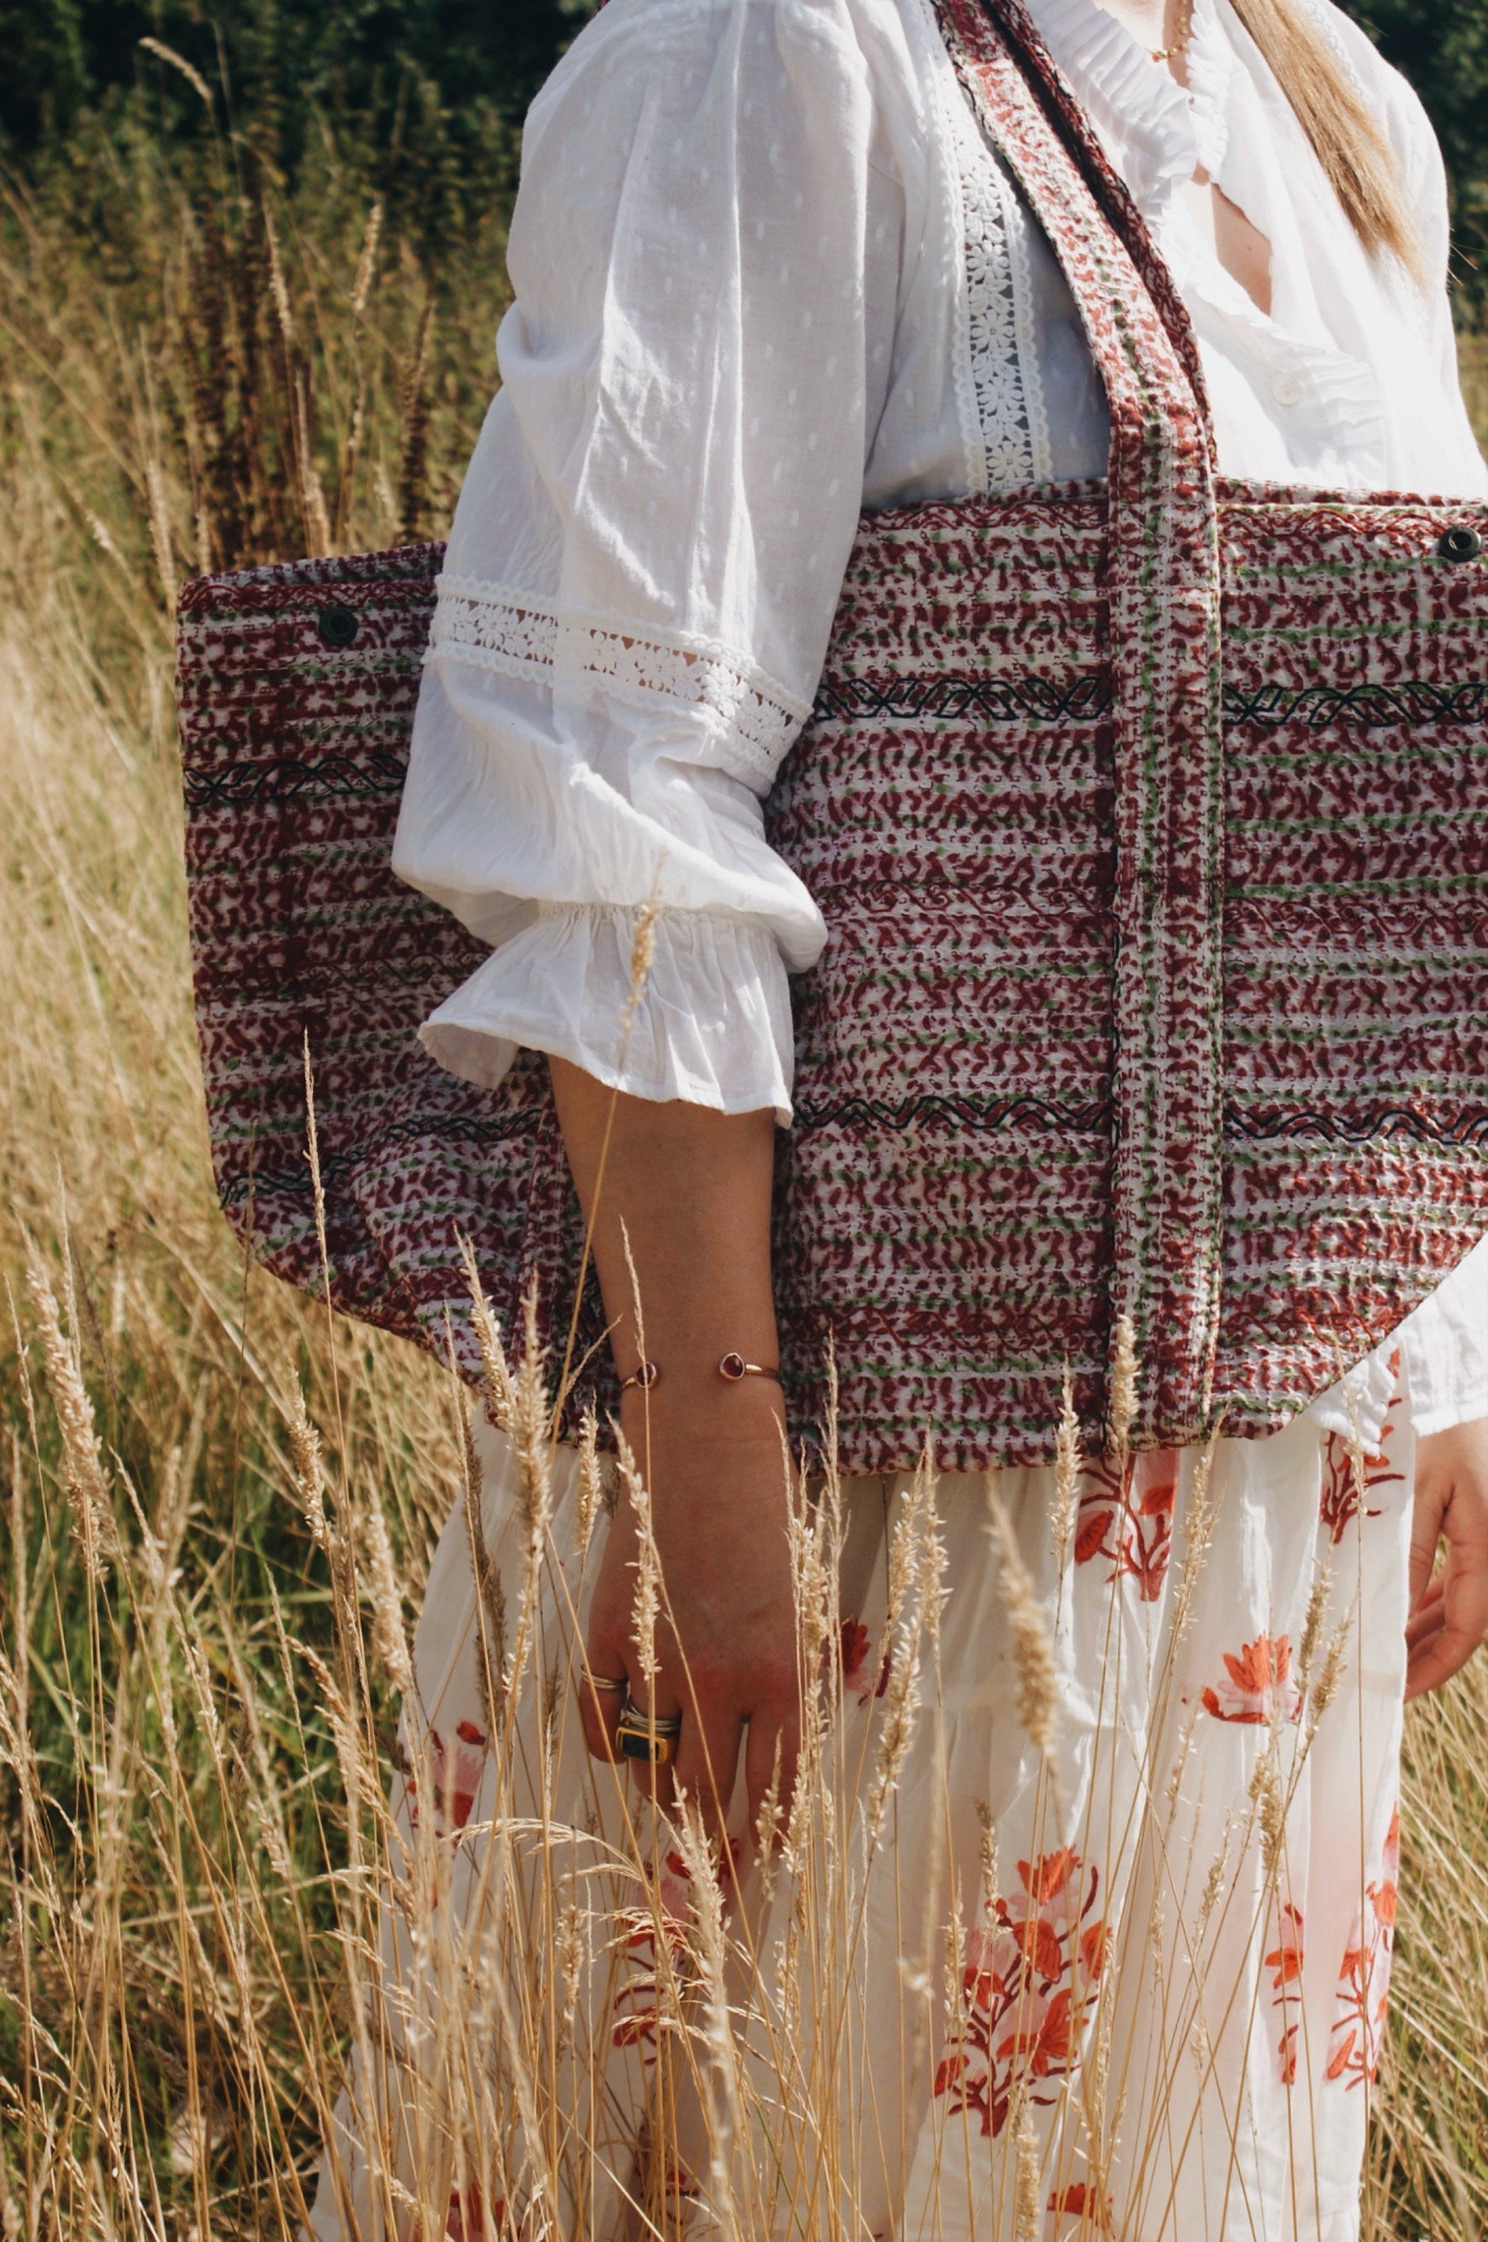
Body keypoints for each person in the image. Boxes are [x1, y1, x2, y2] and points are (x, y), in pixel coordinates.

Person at [311, 0, 1488, 2232]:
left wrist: (1443, 1355)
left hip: (1248, 1505)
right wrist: (711, 1501)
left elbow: (1401, 802)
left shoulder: (1342, 105)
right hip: (859, 1479)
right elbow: (618, 800)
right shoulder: (778, 42)